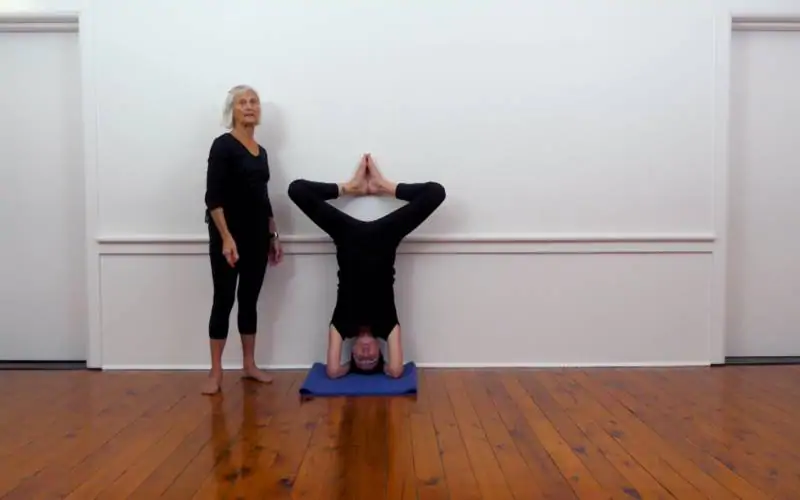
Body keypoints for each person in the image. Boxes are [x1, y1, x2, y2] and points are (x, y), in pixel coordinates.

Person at [287, 155, 446, 379]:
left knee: (296, 190)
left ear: (351, 353)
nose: (365, 354)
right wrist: (388, 369)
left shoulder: (342, 324)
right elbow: (397, 369)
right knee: (436, 193)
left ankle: (350, 187)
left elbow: (332, 371)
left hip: (346, 236)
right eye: (372, 358)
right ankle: (385, 186)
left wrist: (343, 369)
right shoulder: (387, 324)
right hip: (385, 238)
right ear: (380, 353)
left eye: (360, 360)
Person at [202, 84, 284, 395]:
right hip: (228, 237)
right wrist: (226, 238)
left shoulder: (261, 152)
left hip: (256, 237)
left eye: (254, 101)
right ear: (232, 110)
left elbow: (263, 198)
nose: (249, 106)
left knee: (249, 300)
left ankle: (249, 365)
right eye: (242, 102)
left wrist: (273, 235)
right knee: (224, 300)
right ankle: (215, 371)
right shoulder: (222, 146)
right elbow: (213, 197)